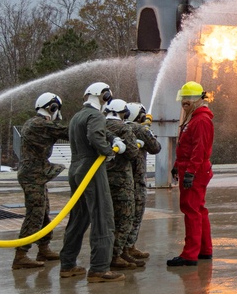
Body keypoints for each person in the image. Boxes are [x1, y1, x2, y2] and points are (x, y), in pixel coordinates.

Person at [58, 82, 126, 283]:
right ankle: (99, 268)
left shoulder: (77, 116)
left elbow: (99, 132)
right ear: (104, 96)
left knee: (78, 217)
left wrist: (113, 138)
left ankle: (67, 264)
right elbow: (96, 136)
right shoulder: (95, 115)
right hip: (91, 169)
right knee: (102, 216)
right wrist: (109, 152)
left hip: (75, 168)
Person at [12, 92, 69, 270]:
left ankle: (43, 248)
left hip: (36, 174)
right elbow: (67, 132)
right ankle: (21, 255)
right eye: (56, 108)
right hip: (32, 175)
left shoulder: (36, 123)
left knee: (44, 212)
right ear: (52, 107)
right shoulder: (39, 124)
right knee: (35, 214)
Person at [167, 81, 215, 267]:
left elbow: (199, 149)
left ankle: (190, 254)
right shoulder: (194, 118)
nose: (184, 102)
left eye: (189, 98)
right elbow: (187, 147)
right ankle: (204, 250)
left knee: (191, 210)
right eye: (183, 98)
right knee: (199, 210)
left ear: (198, 99)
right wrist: (177, 164)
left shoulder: (201, 120)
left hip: (195, 171)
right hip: (191, 168)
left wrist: (190, 172)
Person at [102, 99, 142, 270]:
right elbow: (132, 153)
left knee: (110, 218)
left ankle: (118, 253)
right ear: (123, 113)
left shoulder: (101, 125)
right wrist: (137, 144)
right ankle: (117, 255)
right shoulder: (124, 128)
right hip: (123, 181)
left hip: (104, 179)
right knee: (125, 218)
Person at [126, 102, 161, 260]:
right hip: (136, 179)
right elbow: (155, 148)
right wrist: (147, 130)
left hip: (122, 178)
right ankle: (128, 247)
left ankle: (127, 247)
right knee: (135, 214)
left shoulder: (119, 127)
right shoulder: (140, 130)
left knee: (123, 215)